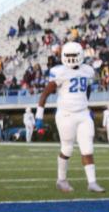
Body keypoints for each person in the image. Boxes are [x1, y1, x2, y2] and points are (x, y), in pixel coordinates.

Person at [36, 41, 104, 193]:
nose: (72, 58)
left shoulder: (87, 70)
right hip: (66, 114)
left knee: (87, 147)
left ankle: (92, 182)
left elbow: (87, 89)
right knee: (67, 149)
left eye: (74, 55)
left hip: (83, 113)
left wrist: (86, 104)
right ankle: (61, 180)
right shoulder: (59, 72)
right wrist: (39, 116)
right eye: (69, 55)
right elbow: (45, 93)